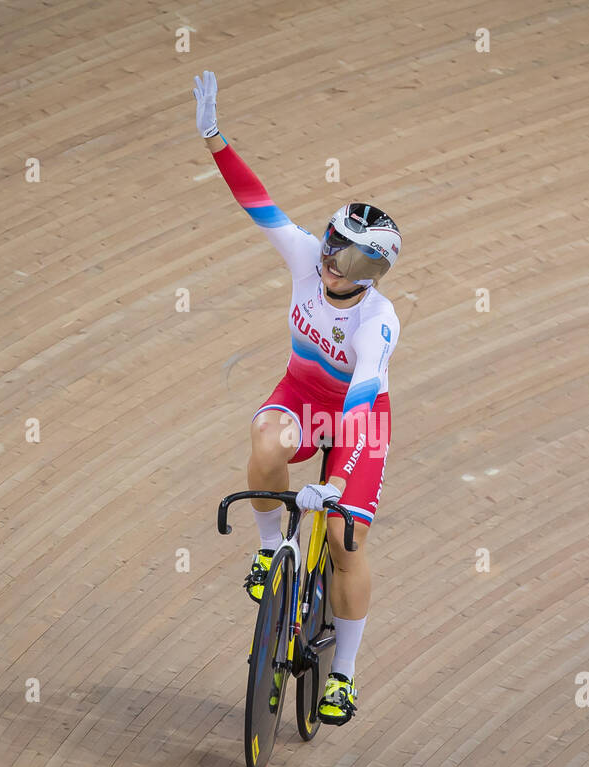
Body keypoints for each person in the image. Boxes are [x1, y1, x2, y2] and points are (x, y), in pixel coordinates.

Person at [192, 70, 402, 726]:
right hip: (304, 394)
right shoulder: (305, 258)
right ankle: (266, 549)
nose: (332, 260)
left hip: (358, 420)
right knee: (264, 446)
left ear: (372, 273)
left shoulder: (379, 321)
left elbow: (364, 395)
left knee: (344, 540)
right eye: (333, 242)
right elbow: (259, 203)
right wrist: (214, 137)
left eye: (350, 257)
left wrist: (336, 483)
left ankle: (342, 675)